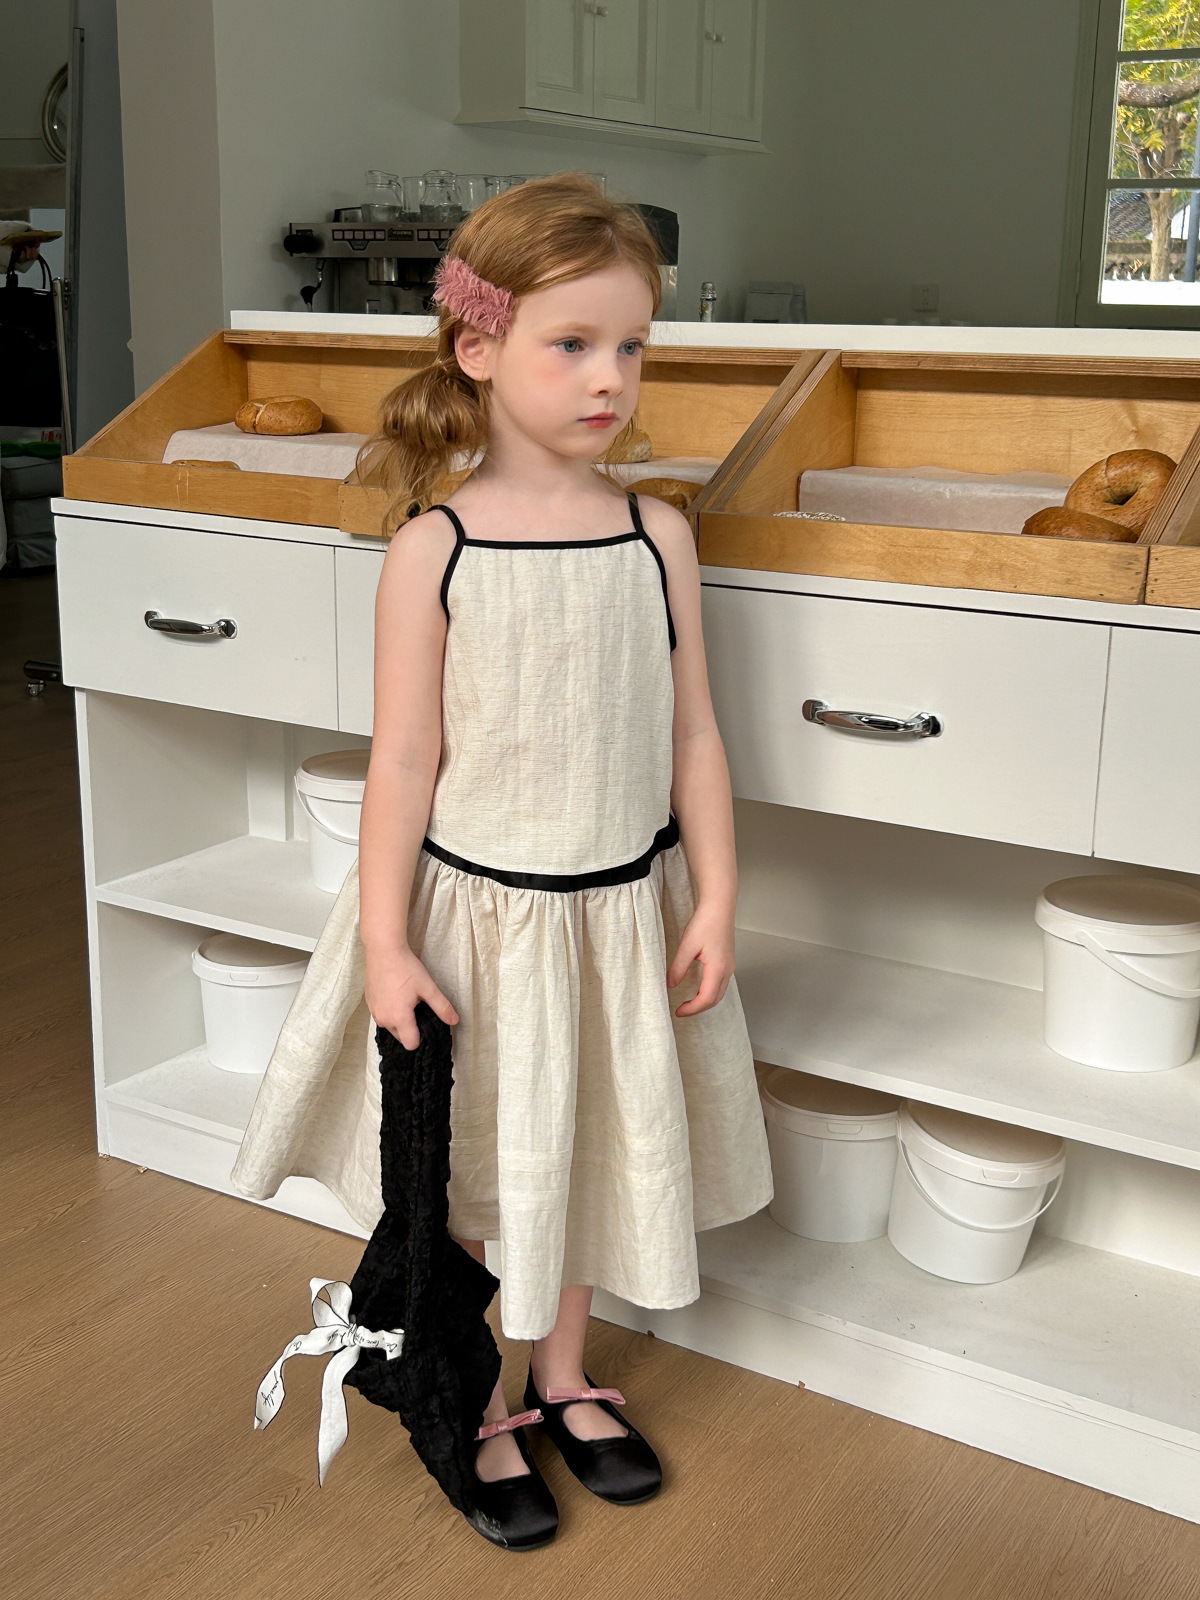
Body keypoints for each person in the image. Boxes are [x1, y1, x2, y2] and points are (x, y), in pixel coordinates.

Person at [238, 172, 772, 1552]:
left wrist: (717, 893)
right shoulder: (439, 548)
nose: (609, 378)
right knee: (479, 1173)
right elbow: (402, 763)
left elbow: (694, 734)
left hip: (618, 919)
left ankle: (561, 1376)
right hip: (478, 928)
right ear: (478, 349)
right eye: (572, 343)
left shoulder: (657, 535)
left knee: (583, 1149)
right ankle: (471, 1393)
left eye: (631, 346)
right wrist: (385, 940)